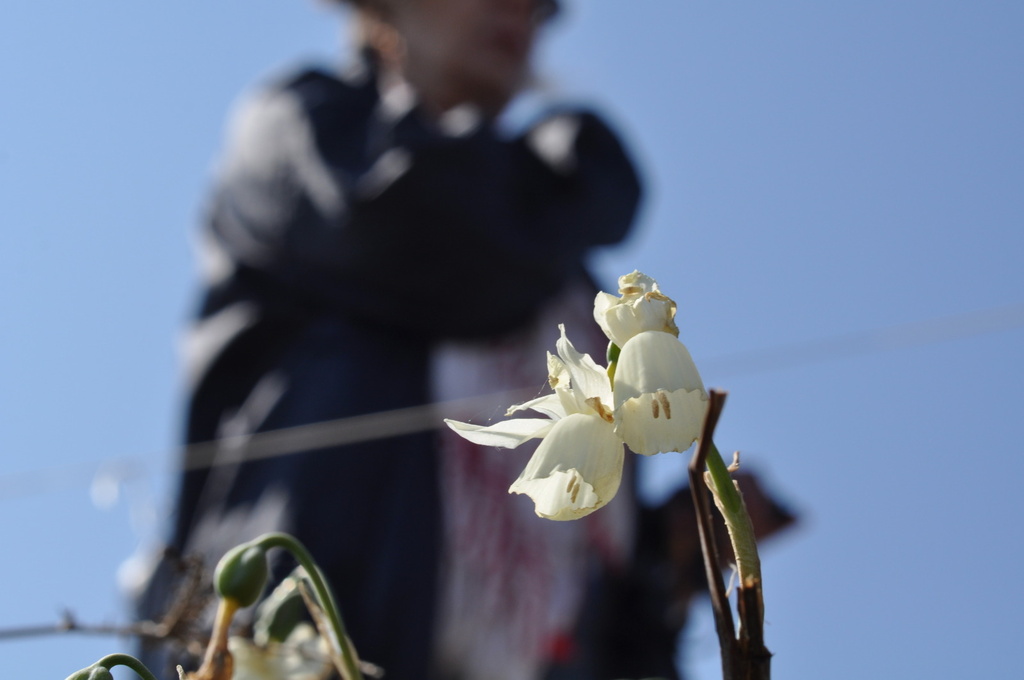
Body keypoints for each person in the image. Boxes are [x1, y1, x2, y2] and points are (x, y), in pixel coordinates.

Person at [135, 1, 648, 679]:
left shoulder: (558, 270)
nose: (519, 13)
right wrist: (578, 174)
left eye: (540, 7)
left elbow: (591, 545)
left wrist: (669, 557)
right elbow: (428, 239)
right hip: (295, 639)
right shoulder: (309, 128)